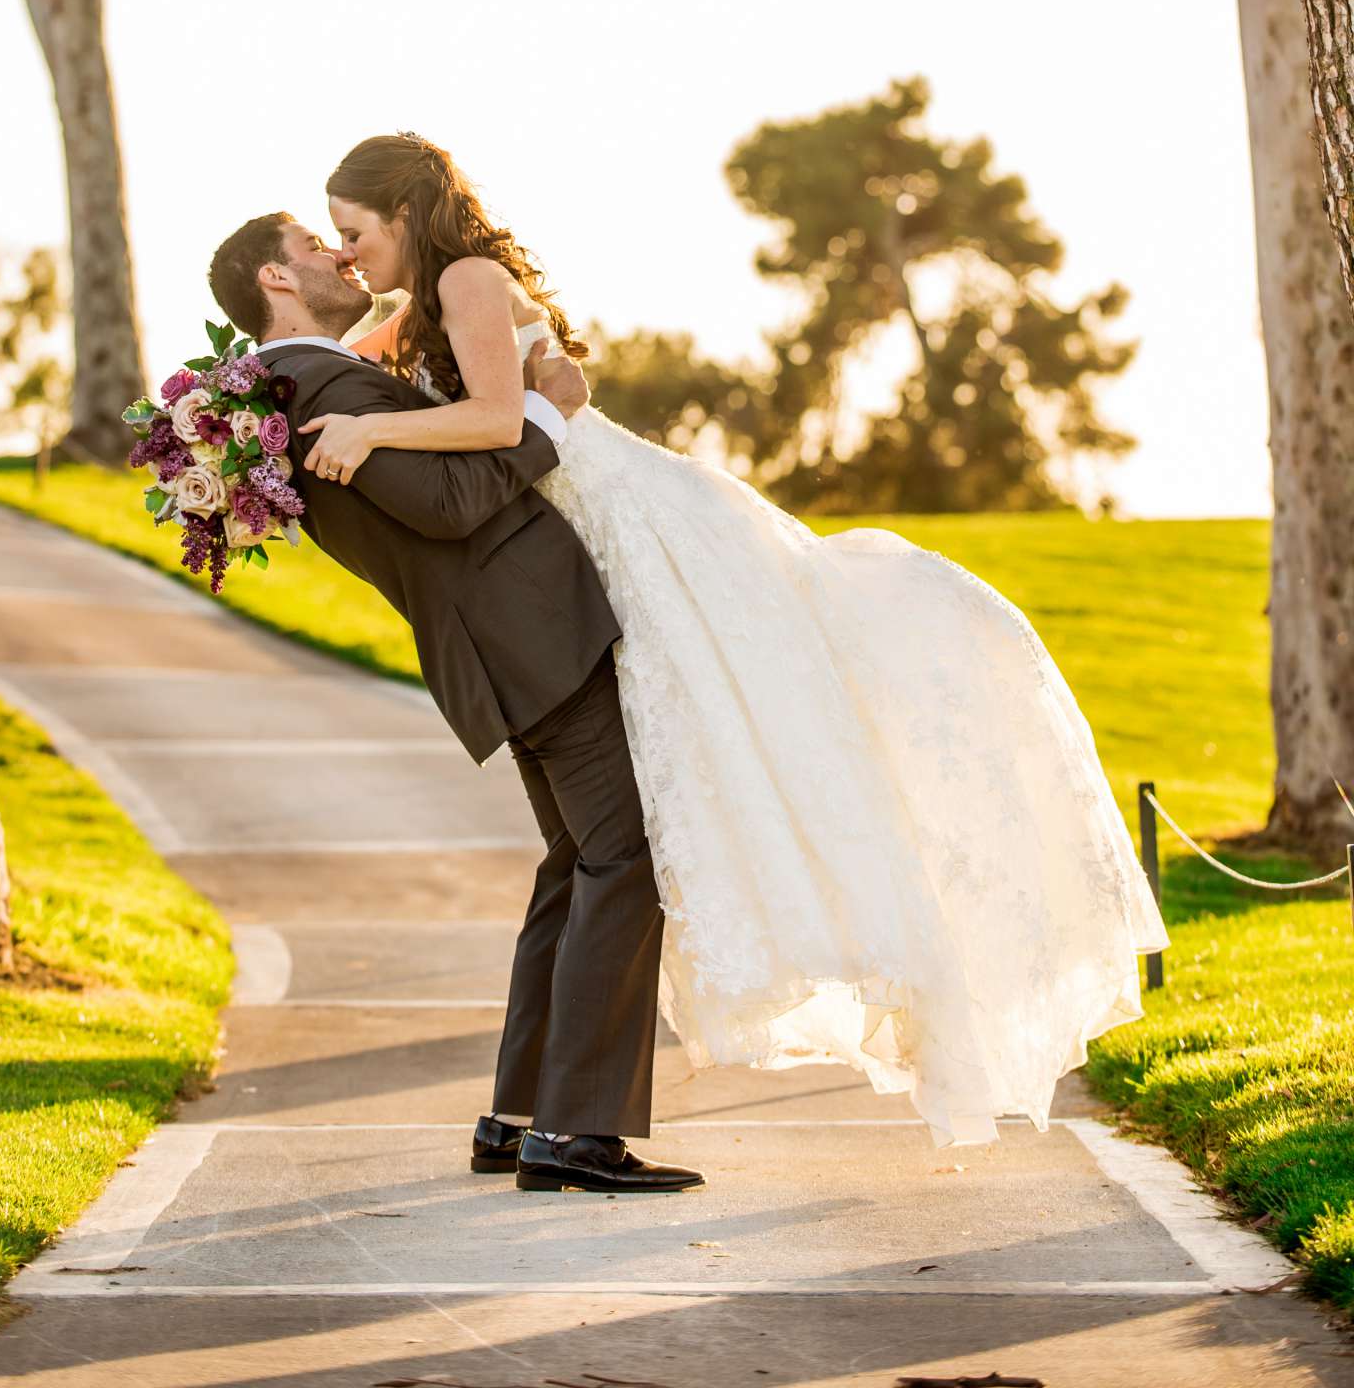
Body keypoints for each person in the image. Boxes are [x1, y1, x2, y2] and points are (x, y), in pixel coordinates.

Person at [291, 131, 1169, 1152]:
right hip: (569, 534)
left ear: (403, 214)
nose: (349, 256)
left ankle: (559, 1115)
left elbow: (494, 419)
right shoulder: (413, 308)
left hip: (621, 511)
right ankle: (550, 1120)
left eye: (354, 233)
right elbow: (316, 372)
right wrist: (239, 422)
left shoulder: (472, 280)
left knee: (736, 719)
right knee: (620, 823)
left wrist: (374, 433)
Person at [206, 210, 705, 1196]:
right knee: (623, 859)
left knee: (579, 863)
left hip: (507, 647)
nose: (338, 256)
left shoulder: (296, 388)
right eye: (317, 243)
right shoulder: (319, 389)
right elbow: (449, 506)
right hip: (529, 638)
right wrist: (550, 414)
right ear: (275, 276)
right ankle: (577, 1132)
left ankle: (523, 1121)